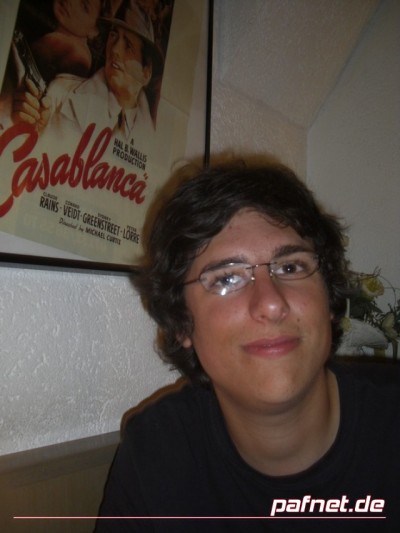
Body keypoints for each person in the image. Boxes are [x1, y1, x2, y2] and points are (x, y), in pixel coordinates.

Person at [95, 159, 400, 532]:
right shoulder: (157, 451)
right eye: (226, 278)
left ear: (329, 300)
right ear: (181, 323)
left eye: (290, 267)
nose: (270, 303)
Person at [11, 0, 163, 145]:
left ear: (146, 73)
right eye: (113, 35)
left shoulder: (151, 136)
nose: (115, 49)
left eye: (128, 45)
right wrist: (24, 122)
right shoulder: (61, 92)